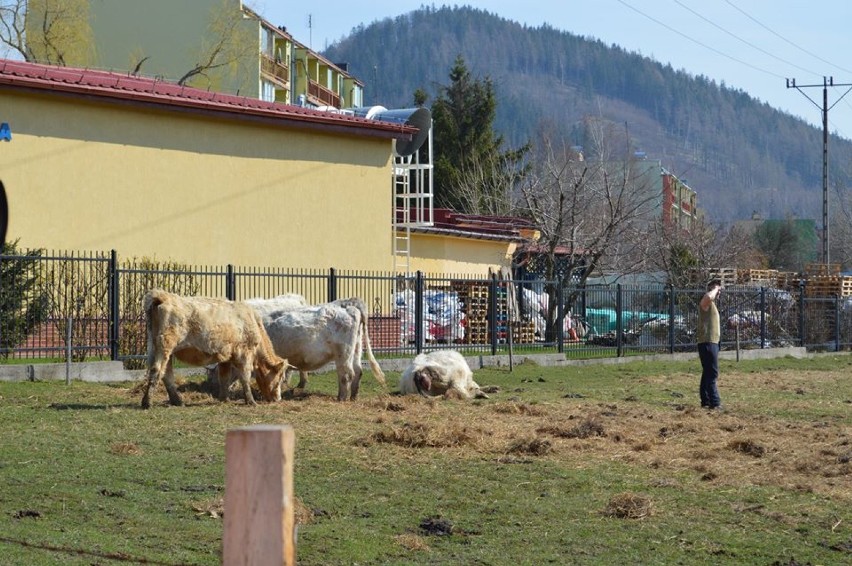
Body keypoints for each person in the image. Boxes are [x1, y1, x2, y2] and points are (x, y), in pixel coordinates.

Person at [697, 279, 723, 410]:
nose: (719, 293)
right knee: (712, 373)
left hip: (711, 342)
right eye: (718, 291)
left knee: (707, 372)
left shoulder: (712, 304)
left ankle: (705, 400)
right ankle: (715, 402)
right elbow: (707, 297)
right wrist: (716, 288)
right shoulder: (706, 302)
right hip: (708, 342)